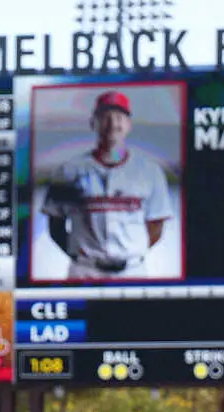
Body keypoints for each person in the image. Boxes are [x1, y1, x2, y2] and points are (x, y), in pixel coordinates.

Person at [42, 90, 173, 280]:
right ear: (93, 123)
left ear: (129, 124)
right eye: (105, 117)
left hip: (132, 271)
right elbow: (55, 224)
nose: (113, 124)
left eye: (120, 117)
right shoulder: (68, 170)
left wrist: (130, 251)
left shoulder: (150, 171)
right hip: (85, 270)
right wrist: (78, 253)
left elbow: (156, 225)